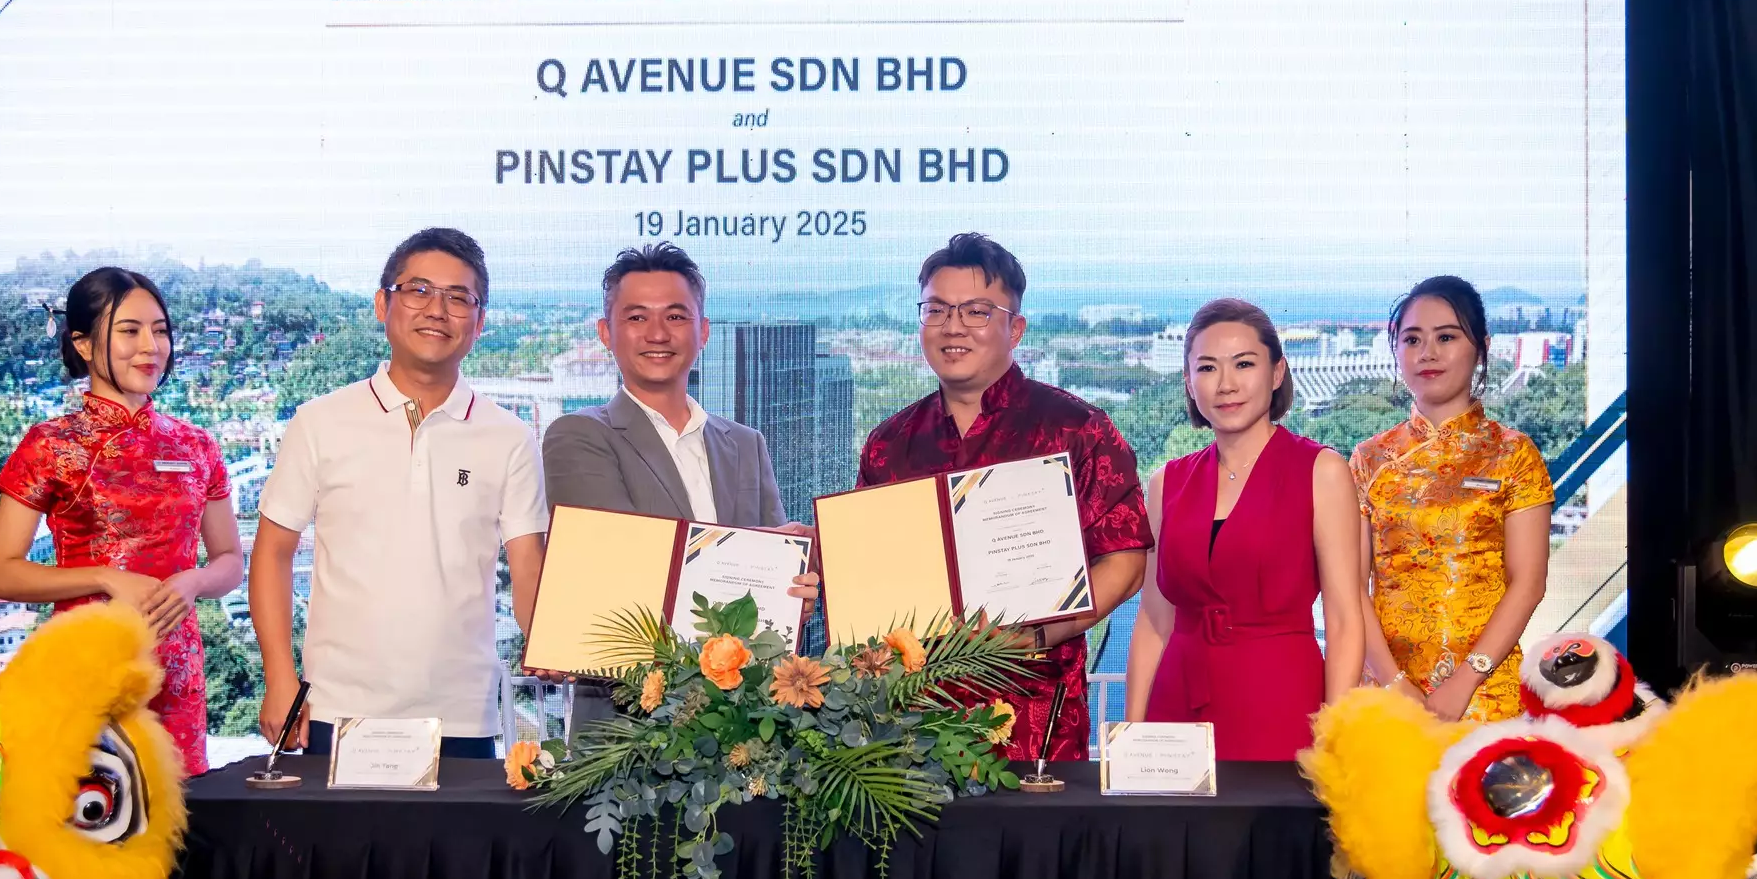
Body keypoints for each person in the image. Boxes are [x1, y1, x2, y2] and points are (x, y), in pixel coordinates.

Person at [249, 227, 548, 758]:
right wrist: (279, 677)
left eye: (459, 298)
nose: (437, 310)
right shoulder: (319, 422)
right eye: (419, 290)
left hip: (461, 714)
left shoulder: (510, 438)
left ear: (479, 322)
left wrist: (553, 644)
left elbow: (528, 568)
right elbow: (272, 553)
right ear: (382, 304)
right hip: (337, 708)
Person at [856, 233, 1150, 761]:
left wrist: (1036, 636)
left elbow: (1125, 563)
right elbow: (870, 575)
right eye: (936, 310)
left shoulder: (1076, 429)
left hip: (1034, 716)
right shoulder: (888, 444)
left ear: (1015, 328)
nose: (952, 327)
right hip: (909, 727)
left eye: (976, 311)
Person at [542, 242, 819, 734]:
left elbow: (775, 602)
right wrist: (752, 566)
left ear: (703, 332)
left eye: (675, 316)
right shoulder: (578, 435)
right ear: (606, 333)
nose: (657, 333)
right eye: (636, 317)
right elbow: (621, 581)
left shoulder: (747, 445)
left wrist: (795, 591)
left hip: (747, 732)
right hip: (630, 732)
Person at [0, 267, 242, 776]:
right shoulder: (51, 444)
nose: (151, 346)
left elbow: (230, 561)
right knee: (89, 809)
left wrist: (194, 581)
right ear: (82, 344)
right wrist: (104, 577)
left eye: (160, 331)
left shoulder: (196, 444)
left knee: (176, 815)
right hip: (86, 667)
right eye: (129, 331)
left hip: (176, 674)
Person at [1125, 299, 1365, 761]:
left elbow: (1343, 621)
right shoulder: (1166, 483)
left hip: (1280, 702)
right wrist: (1132, 737)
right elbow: (1154, 621)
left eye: (1244, 364)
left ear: (1277, 373)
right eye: (1207, 368)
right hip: (1176, 709)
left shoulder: (1322, 471)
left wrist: (1333, 745)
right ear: (1189, 383)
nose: (1226, 384)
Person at [1352, 276, 1553, 721]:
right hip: (1387, 696)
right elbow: (1351, 587)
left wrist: (1465, 681)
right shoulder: (1370, 458)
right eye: (1412, 339)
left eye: (1446, 337)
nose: (1428, 353)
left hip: (1485, 692)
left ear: (1481, 348)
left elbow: (1529, 582)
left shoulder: (1512, 454)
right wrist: (1394, 683)